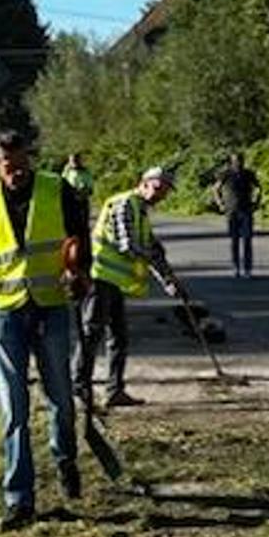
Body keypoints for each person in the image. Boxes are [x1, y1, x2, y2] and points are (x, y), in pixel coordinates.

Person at [0, 131, 92, 530]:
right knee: (13, 408)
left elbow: (80, 239)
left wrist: (79, 271)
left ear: (29, 159)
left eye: (21, 164)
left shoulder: (57, 189)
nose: (16, 172)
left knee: (60, 396)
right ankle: (19, 500)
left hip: (50, 307)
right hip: (6, 314)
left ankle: (64, 458)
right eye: (8, 166)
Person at [78, 167, 184, 408]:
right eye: (158, 188)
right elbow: (128, 245)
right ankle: (79, 388)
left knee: (119, 337)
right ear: (144, 183)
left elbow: (151, 250)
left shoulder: (141, 211)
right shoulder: (124, 203)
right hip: (100, 277)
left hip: (115, 282)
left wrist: (168, 280)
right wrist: (153, 255)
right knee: (91, 333)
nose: (161, 195)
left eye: (165, 191)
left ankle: (114, 391)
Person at [210, 153, 262, 278]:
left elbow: (258, 188)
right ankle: (236, 267)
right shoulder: (226, 174)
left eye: (240, 161)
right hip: (231, 211)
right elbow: (215, 189)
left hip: (246, 210)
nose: (238, 163)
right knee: (235, 240)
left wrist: (257, 202)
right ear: (231, 162)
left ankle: (248, 269)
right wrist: (220, 204)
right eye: (235, 161)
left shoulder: (248, 174)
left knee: (247, 240)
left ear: (243, 161)